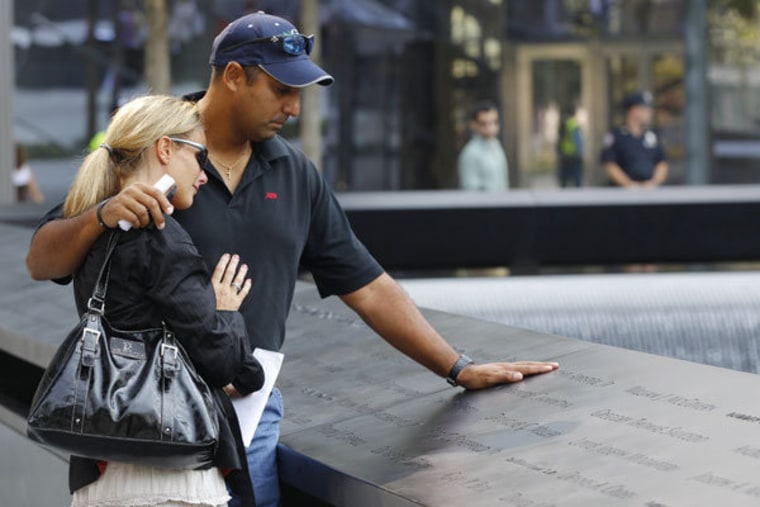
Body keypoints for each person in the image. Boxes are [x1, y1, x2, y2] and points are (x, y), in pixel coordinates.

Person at [26, 12, 559, 507]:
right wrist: (101, 215)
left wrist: (457, 367)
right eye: (281, 90)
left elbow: (367, 286)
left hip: (250, 416)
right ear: (234, 76)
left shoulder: (295, 175)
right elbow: (42, 261)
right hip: (143, 420)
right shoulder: (152, 149)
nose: (295, 108)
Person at [59, 95, 263, 507]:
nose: (204, 175)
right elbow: (222, 360)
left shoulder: (95, 231)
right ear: (166, 149)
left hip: (99, 472)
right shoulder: (162, 239)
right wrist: (224, 309)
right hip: (169, 476)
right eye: (199, 156)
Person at [601, 91, 668, 188]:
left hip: (650, 193)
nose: (650, 113)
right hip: (622, 195)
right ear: (634, 110)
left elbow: (662, 163)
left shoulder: (652, 136)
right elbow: (609, 164)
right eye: (645, 109)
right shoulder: (617, 136)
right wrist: (628, 185)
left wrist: (654, 183)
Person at [457, 101, 509, 191]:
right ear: (473, 125)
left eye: (494, 122)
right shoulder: (470, 153)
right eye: (484, 124)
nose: (490, 127)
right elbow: (470, 188)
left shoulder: (496, 145)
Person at [556, 103, 584, 188]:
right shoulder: (573, 123)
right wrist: (581, 154)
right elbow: (578, 141)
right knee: (577, 180)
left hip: (564, 155)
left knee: (564, 180)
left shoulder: (563, 123)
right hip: (574, 155)